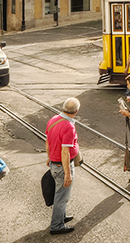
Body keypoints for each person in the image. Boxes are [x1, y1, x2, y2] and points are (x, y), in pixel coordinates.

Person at [46, 98, 80, 235]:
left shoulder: (53, 119)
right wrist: (68, 174)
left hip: (54, 163)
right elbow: (65, 152)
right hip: (62, 166)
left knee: (60, 194)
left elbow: (47, 141)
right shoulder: (69, 127)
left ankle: (62, 216)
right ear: (76, 111)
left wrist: (49, 157)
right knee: (61, 197)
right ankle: (56, 226)